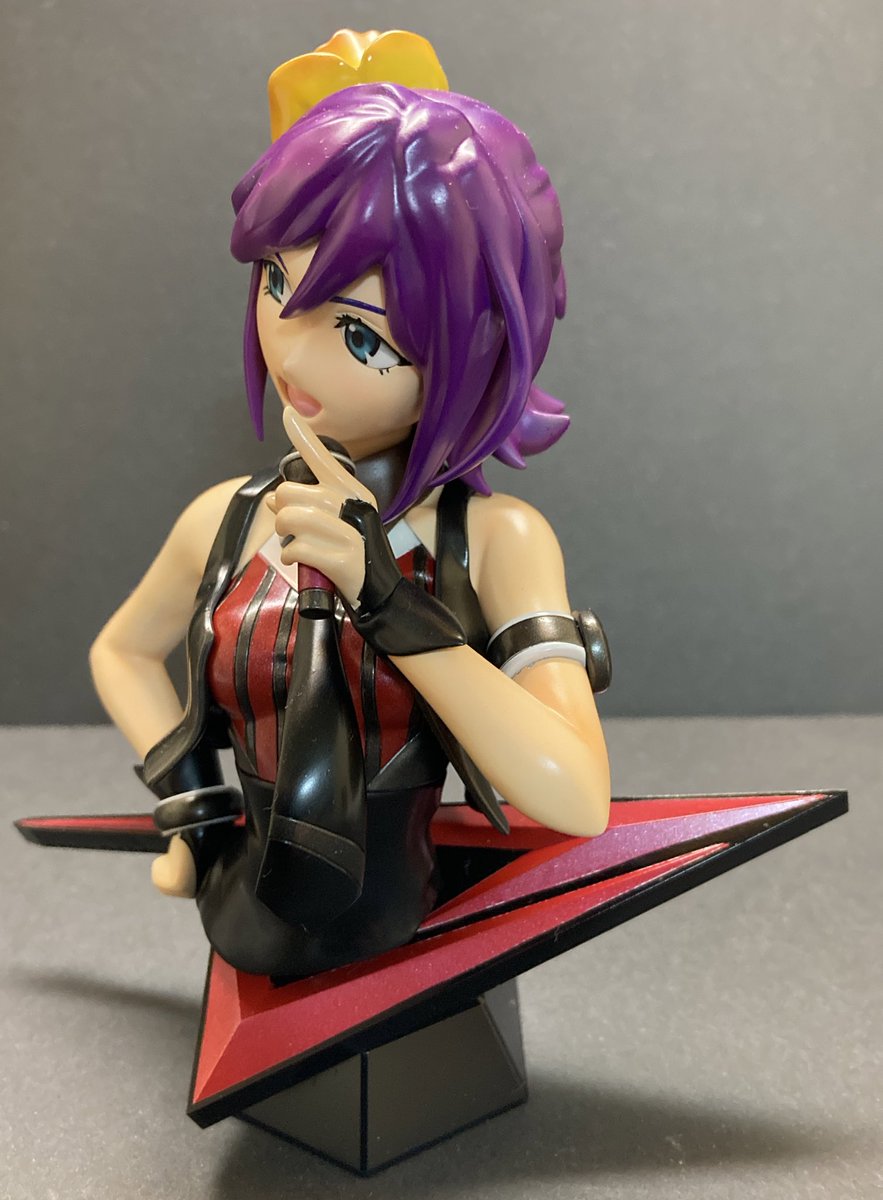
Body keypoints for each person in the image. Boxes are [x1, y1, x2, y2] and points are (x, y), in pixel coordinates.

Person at [89, 30, 611, 977]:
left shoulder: (492, 540)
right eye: (276, 283)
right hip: (242, 910)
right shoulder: (227, 522)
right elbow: (121, 652)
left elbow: (573, 794)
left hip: (412, 932)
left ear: (468, 355)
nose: (291, 349)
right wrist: (193, 807)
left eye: (362, 339)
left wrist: (388, 603)